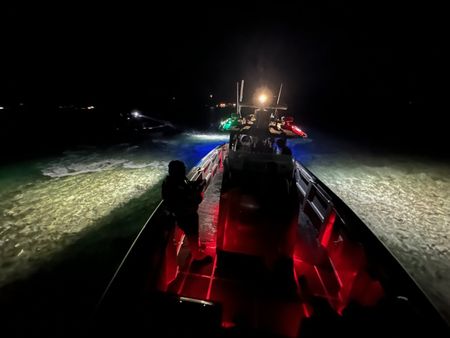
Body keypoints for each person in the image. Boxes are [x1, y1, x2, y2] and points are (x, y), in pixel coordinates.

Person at [162, 160, 211, 263]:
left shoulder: (174, 181)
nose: (185, 169)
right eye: (183, 168)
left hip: (185, 214)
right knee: (192, 234)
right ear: (178, 171)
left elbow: (187, 187)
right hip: (185, 215)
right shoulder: (176, 186)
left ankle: (196, 247)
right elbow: (191, 198)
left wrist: (195, 185)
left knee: (193, 233)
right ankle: (197, 256)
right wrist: (197, 190)